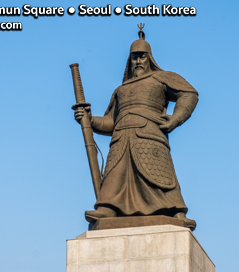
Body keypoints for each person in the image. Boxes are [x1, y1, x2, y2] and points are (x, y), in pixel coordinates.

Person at [75, 26, 199, 225]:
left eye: (142, 57)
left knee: (158, 174)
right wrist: (89, 120)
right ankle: (108, 207)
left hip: (149, 135)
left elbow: (189, 93)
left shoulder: (161, 78)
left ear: (150, 58)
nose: (138, 61)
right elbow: (110, 122)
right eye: (134, 57)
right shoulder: (121, 90)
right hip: (121, 139)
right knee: (115, 175)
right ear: (129, 60)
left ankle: (174, 211)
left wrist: (176, 118)